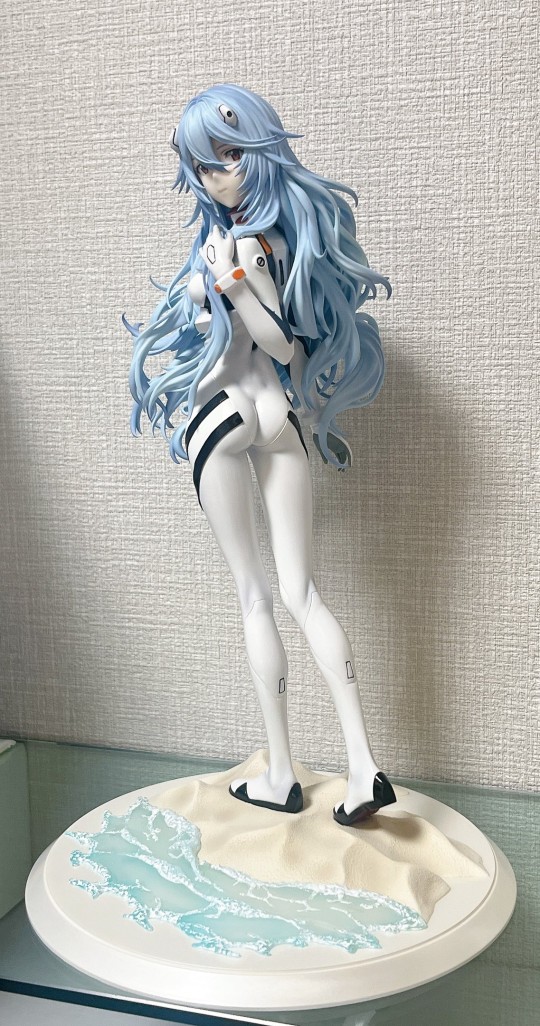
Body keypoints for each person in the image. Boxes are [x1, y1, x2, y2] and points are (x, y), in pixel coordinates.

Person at [127, 84, 396, 825]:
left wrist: (229, 285)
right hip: (279, 416)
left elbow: (275, 339)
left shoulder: (243, 247)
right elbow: (286, 348)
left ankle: (282, 775)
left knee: (257, 596)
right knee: (301, 593)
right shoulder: (276, 237)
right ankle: (363, 767)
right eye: (202, 165)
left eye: (229, 156)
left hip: (226, 412)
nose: (216, 175)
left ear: (263, 149)